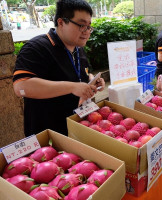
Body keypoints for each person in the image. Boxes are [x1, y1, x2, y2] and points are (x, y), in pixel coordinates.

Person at [13, 0, 105, 137]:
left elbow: (83, 74)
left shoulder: (78, 49)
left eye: (89, 27)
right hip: (48, 133)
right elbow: (21, 87)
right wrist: (72, 87)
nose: (87, 32)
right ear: (61, 22)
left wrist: (92, 80)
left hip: (78, 125)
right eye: (81, 25)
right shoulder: (36, 48)